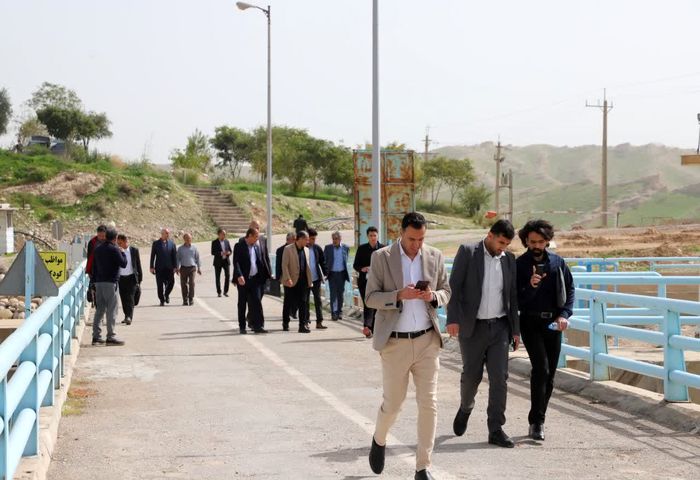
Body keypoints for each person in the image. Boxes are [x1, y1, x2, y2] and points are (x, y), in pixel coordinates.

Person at [365, 212, 451, 480]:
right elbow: (370, 298)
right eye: (412, 239)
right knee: (393, 404)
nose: (417, 244)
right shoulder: (381, 257)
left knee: (429, 403)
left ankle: (422, 467)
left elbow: (446, 291)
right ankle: (379, 439)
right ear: (401, 233)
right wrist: (399, 295)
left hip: (427, 341)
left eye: (421, 239)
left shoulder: (435, 256)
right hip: (395, 343)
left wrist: (433, 296)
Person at [446, 219, 520, 449]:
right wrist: (452, 319)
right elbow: (454, 287)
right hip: (473, 327)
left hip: (500, 328)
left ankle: (495, 429)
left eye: (507, 244)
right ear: (490, 235)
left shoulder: (508, 259)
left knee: (500, 378)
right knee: (472, 376)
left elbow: (512, 296)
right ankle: (466, 407)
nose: (503, 248)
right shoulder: (468, 252)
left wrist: (515, 330)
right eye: (500, 242)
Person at [516, 219, 574, 441]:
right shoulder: (520, 265)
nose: (537, 246)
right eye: (532, 242)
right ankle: (536, 422)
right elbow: (516, 299)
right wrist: (530, 286)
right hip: (530, 323)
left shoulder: (558, 262)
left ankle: (540, 417)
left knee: (550, 375)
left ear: (548, 241)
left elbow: (570, 290)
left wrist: (564, 314)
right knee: (540, 369)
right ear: (526, 242)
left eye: (541, 242)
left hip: (553, 324)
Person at [91, 228, 127, 346]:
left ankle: (96, 336)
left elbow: (94, 267)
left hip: (99, 282)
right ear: (115, 238)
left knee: (100, 310)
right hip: (110, 283)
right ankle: (111, 336)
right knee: (112, 310)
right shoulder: (115, 249)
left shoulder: (97, 249)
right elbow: (123, 263)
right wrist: (122, 252)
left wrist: (93, 282)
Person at [233, 228, 267, 334]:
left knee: (257, 302)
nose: (257, 239)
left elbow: (260, 262)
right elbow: (236, 262)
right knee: (242, 303)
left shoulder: (256, 247)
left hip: (255, 279)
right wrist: (239, 275)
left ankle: (258, 326)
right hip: (243, 280)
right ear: (250, 236)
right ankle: (242, 326)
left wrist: (266, 275)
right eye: (256, 237)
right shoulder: (239, 246)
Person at [353, 226, 384, 338]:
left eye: (374, 235)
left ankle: (374, 329)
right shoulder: (362, 249)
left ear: (377, 236)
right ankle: (367, 327)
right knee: (368, 303)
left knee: (376, 304)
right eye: (371, 235)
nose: (373, 238)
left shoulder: (383, 249)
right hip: (364, 282)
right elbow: (355, 265)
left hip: (379, 282)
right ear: (367, 236)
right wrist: (363, 269)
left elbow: (387, 265)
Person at [281, 230, 313, 333]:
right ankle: (285, 323)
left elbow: (307, 266)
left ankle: (302, 325)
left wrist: (310, 280)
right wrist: (287, 278)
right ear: (300, 239)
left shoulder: (306, 250)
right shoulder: (288, 249)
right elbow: (284, 265)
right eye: (306, 239)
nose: (307, 242)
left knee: (303, 303)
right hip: (291, 280)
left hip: (303, 281)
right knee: (288, 302)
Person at [323, 231, 350, 321]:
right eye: (333, 239)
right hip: (332, 274)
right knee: (333, 294)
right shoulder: (328, 248)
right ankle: (334, 313)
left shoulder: (346, 248)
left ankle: (339, 311)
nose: (334, 240)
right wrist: (325, 272)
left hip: (342, 274)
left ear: (340, 239)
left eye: (336, 239)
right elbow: (324, 261)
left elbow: (345, 260)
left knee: (340, 294)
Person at [117, 234, 142, 326]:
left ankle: (129, 317)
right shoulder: (117, 251)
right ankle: (126, 315)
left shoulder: (134, 250)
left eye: (120, 243)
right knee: (123, 298)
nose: (119, 245)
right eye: (117, 243)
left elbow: (138, 265)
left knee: (130, 298)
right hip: (121, 278)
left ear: (125, 241)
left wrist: (140, 279)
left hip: (131, 278)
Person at [149, 228, 178, 306]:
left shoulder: (172, 244)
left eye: (168, 233)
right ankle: (162, 300)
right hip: (159, 268)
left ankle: (166, 294)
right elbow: (152, 256)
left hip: (169, 268)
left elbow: (174, 256)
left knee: (171, 282)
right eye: (166, 233)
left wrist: (175, 266)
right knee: (160, 285)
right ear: (162, 234)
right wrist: (151, 267)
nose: (168, 234)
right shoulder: (156, 243)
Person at [276, 232, 298, 330]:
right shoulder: (281, 250)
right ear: (288, 240)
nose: (295, 241)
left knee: (297, 297)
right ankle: (286, 322)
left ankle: (294, 311)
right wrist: (278, 277)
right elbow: (279, 265)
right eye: (293, 239)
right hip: (286, 278)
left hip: (296, 277)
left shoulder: (298, 248)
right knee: (288, 299)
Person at [307, 229, 328, 330]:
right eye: (312, 239)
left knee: (318, 300)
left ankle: (319, 322)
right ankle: (306, 321)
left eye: (314, 239)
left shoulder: (317, 248)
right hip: (305, 279)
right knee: (305, 301)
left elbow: (323, 262)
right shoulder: (302, 248)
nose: (313, 241)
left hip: (316, 279)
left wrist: (326, 273)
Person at [177, 233, 201, 306]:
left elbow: (197, 258)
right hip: (183, 268)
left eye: (190, 238)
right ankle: (185, 299)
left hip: (192, 268)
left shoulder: (194, 248)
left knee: (191, 283)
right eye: (187, 238)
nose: (188, 240)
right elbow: (177, 259)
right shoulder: (180, 248)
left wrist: (199, 268)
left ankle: (191, 299)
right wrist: (177, 267)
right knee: (183, 284)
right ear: (184, 239)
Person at [86, 224, 107, 304]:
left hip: (107, 272)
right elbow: (89, 257)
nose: (101, 238)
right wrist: (89, 271)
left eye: (103, 236)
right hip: (95, 271)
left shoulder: (110, 242)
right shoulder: (92, 242)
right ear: (97, 234)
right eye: (99, 236)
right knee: (96, 292)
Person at [211, 228, 232, 297]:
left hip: (226, 261)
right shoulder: (214, 242)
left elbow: (230, 250)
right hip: (218, 262)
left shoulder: (227, 241)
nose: (224, 235)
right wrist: (221, 253)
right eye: (223, 234)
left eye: (225, 234)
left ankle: (225, 291)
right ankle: (219, 292)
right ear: (219, 234)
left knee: (228, 276)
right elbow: (213, 252)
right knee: (218, 277)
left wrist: (228, 253)